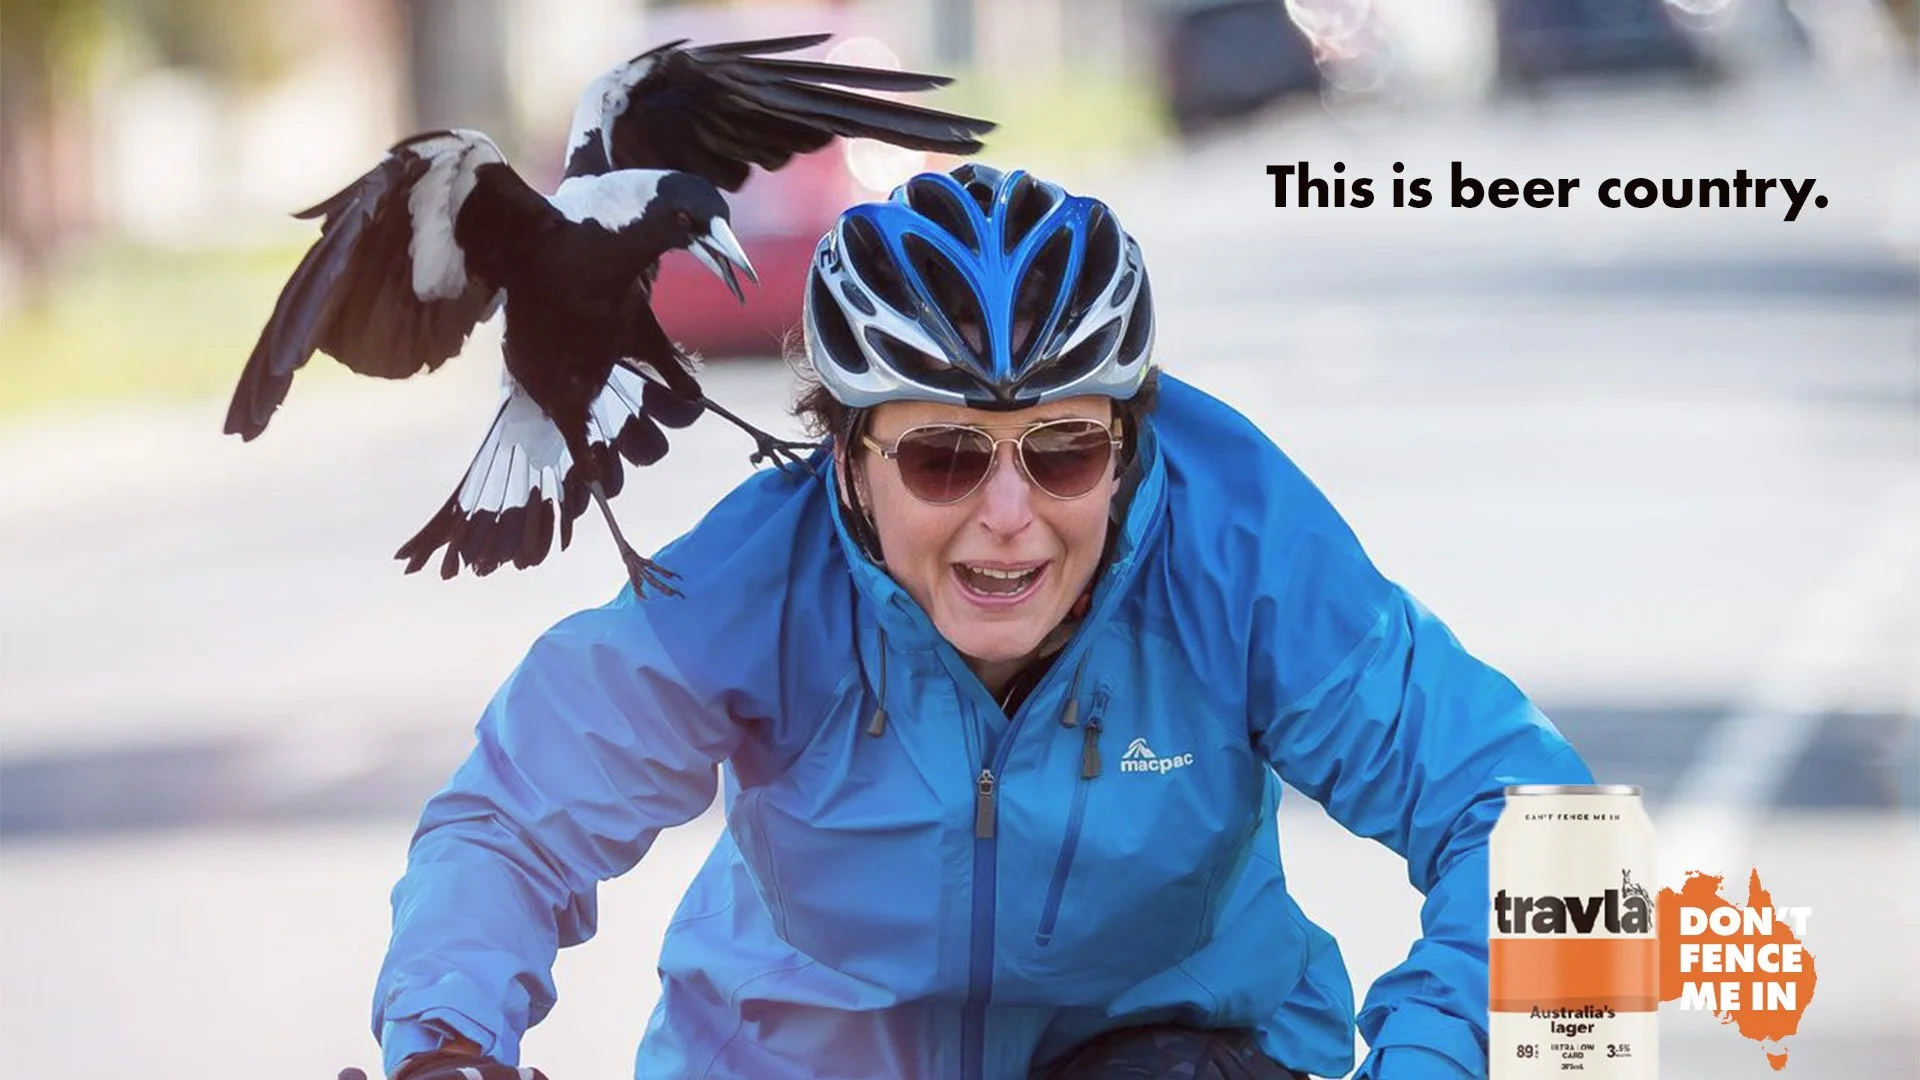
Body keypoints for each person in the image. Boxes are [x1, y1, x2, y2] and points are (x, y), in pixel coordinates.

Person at [369, 163, 1595, 1080]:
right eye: (946, 458)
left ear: (1127, 446)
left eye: (1063, 453)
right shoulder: (758, 582)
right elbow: (511, 824)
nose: (1009, 519)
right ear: (846, 460)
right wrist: (444, 1047)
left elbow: (1564, 840)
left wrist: (1441, 1058)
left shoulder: (1235, 546)